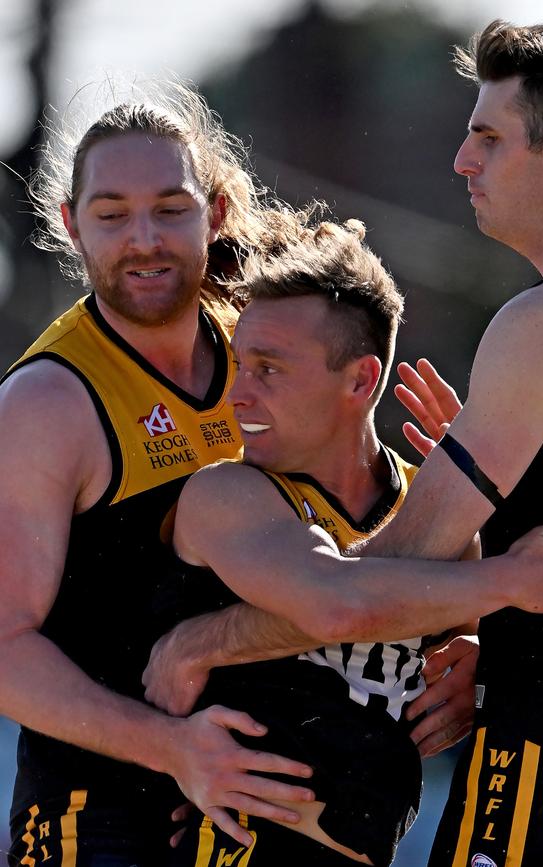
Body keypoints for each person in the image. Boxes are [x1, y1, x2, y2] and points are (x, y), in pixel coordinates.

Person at [141, 218, 543, 866]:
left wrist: (479, 664)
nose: (238, 393)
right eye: (239, 363)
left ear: (359, 380)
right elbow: (334, 602)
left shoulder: (435, 524)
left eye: (268, 368)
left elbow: (471, 645)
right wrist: (512, 577)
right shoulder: (225, 495)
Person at [1, 80, 317, 867]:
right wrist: (174, 746)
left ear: (212, 211)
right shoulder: (47, 402)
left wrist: (460, 646)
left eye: (170, 209)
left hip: (262, 805)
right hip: (99, 822)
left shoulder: (269, 347)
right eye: (111, 215)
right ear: (72, 227)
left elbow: (355, 537)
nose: (143, 239)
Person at [366, 20, 543, 867]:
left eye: (487, 136)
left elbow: (405, 560)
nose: (463, 160)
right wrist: (493, 637)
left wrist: (216, 631)